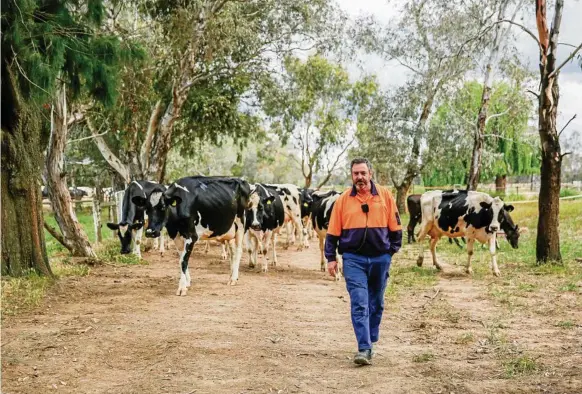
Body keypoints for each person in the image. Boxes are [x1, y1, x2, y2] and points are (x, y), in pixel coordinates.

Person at [325, 158, 402, 365]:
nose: (359, 177)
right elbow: (332, 232)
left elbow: (396, 228)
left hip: (380, 258)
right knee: (360, 303)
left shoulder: (385, 196)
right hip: (353, 259)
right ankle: (364, 348)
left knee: (376, 303)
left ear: (370, 173)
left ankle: (370, 337)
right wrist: (331, 258)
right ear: (352, 176)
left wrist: (390, 252)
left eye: (362, 173)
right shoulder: (342, 200)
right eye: (355, 173)